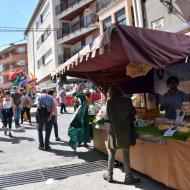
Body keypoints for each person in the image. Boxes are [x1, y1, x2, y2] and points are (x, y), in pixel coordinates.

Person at [103, 86, 139, 185]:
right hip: (125, 131)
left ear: (112, 92)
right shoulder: (127, 101)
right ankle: (128, 177)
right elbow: (133, 112)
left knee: (112, 153)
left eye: (109, 91)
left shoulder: (110, 102)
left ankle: (109, 175)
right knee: (125, 154)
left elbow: (108, 117)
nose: (108, 93)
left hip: (114, 130)